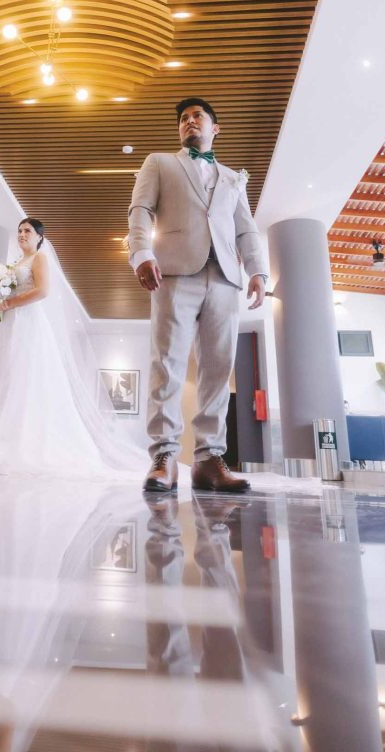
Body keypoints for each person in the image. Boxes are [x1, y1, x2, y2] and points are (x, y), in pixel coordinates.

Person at [0, 218, 146, 478]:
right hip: (7, 324)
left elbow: (42, 291)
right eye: (20, 231)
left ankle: (17, 446)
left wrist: (9, 304)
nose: (22, 234)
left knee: (21, 380)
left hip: (26, 324)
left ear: (39, 237)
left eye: (28, 231)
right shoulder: (14, 263)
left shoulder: (39, 258)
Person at [128, 98, 269, 494]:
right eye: (183, 118)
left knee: (219, 369)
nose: (189, 121)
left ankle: (208, 459)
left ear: (215, 128)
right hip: (173, 274)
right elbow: (140, 209)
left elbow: (246, 228)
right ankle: (164, 456)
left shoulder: (233, 178)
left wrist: (258, 271)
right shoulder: (159, 163)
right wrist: (141, 253)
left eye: (198, 116)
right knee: (167, 364)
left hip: (225, 278)